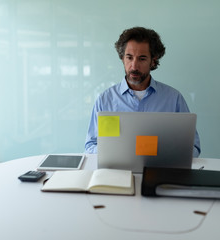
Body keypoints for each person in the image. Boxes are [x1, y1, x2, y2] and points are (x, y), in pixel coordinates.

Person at [85, 27, 201, 157]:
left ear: (153, 61)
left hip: (161, 172)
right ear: (122, 59)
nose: (134, 66)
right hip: (118, 173)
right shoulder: (105, 100)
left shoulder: (174, 99)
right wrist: (113, 153)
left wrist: (169, 155)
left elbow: (193, 147)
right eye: (129, 57)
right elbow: (91, 145)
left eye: (142, 59)